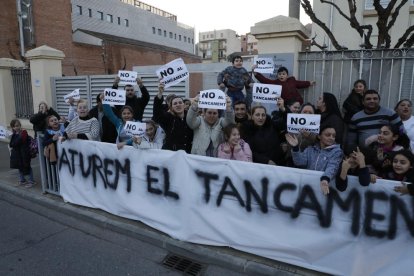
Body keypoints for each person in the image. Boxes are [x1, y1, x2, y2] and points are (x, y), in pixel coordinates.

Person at [285, 125, 343, 195]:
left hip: (326, 189)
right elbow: (299, 162)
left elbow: (332, 166)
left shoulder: (337, 152)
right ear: (319, 136)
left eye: (333, 136)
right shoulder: (310, 149)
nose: (331, 138)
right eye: (328, 135)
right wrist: (295, 147)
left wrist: (325, 179)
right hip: (308, 189)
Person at [152, 83, 193, 153]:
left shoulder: (190, 117)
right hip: (171, 154)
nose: (178, 105)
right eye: (175, 103)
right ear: (171, 107)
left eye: (180, 102)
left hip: (187, 155)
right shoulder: (168, 118)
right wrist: (160, 93)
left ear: (184, 105)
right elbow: (157, 114)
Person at [9, 119, 36, 188]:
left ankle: (31, 181)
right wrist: (13, 142)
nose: (17, 127)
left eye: (18, 126)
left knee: (27, 166)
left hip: (25, 153)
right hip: (18, 154)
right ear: (12, 127)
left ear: (20, 125)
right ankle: (22, 180)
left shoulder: (24, 132)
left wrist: (14, 142)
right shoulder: (14, 134)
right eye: (15, 126)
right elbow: (11, 144)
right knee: (19, 167)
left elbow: (19, 141)